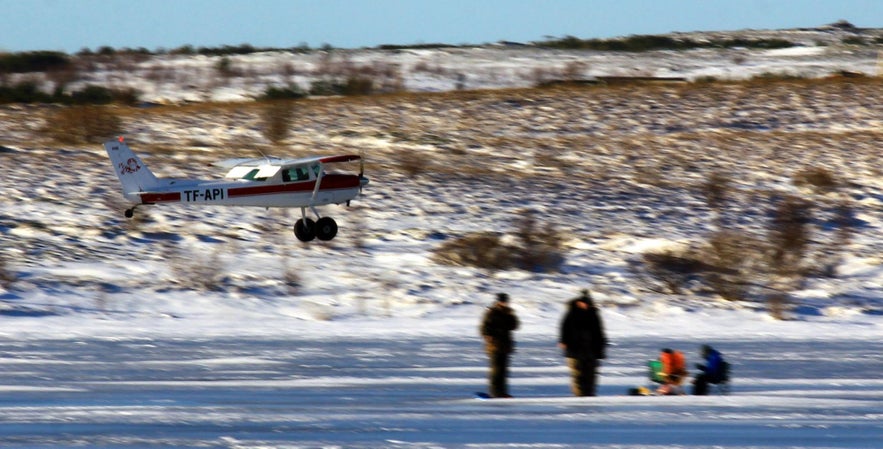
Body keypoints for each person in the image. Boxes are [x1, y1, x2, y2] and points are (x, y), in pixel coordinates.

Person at [558, 289, 608, 396]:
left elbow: (599, 330)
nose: (586, 305)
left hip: (591, 349)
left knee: (591, 374)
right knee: (577, 374)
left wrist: (602, 344)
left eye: (588, 303)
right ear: (578, 302)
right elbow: (564, 328)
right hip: (575, 349)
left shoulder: (594, 314)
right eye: (584, 303)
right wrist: (563, 341)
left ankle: (589, 395)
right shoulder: (571, 313)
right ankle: (580, 395)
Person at [480, 292, 519, 398]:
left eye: (506, 301)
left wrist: (511, 315)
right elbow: (484, 328)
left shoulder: (508, 312)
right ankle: (495, 392)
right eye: (502, 301)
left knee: (503, 370)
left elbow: (515, 326)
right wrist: (490, 337)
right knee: (496, 370)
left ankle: (502, 392)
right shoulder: (491, 313)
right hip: (495, 346)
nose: (504, 303)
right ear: (498, 301)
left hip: (505, 345)